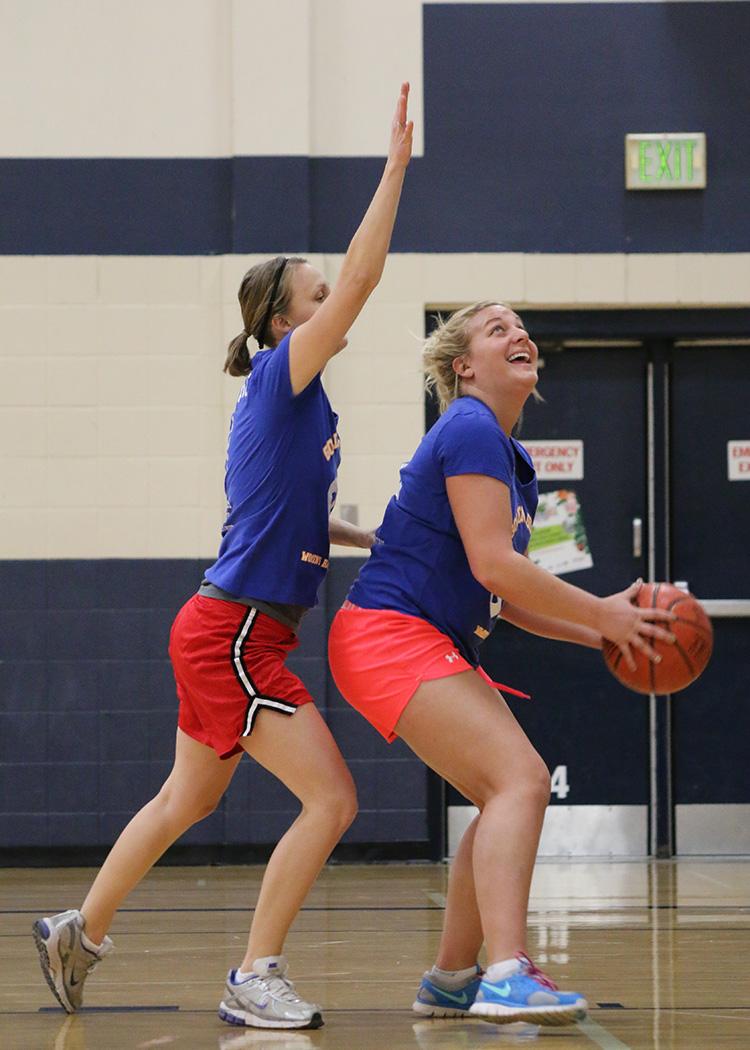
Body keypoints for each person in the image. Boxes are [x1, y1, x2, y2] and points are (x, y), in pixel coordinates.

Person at [33, 83, 413, 1031]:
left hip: (229, 626)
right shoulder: (287, 376)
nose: (336, 300)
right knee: (332, 800)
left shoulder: (291, 405)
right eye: (317, 297)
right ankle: (254, 975)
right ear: (285, 324)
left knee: (182, 801)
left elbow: (278, 518)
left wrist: (362, 537)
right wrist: (396, 169)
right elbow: (364, 278)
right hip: (240, 634)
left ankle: (78, 929)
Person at [328, 300, 676, 1027]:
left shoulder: (511, 461)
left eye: (523, 328)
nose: (520, 335)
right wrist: (602, 612)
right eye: (498, 329)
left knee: (501, 793)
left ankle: (453, 978)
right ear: (464, 366)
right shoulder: (469, 427)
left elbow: (501, 595)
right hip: (389, 631)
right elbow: (496, 564)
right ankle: (509, 973)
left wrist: (600, 633)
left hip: (417, 636)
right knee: (520, 778)